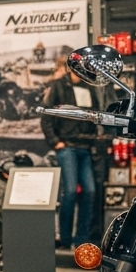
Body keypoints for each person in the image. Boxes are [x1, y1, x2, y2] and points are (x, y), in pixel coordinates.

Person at [42, 64, 99, 248]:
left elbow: (95, 114)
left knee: (90, 191)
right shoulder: (59, 85)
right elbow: (46, 115)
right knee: (71, 192)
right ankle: (65, 238)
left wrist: (94, 137)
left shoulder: (89, 87)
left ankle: (81, 238)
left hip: (85, 146)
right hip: (67, 146)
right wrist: (55, 141)